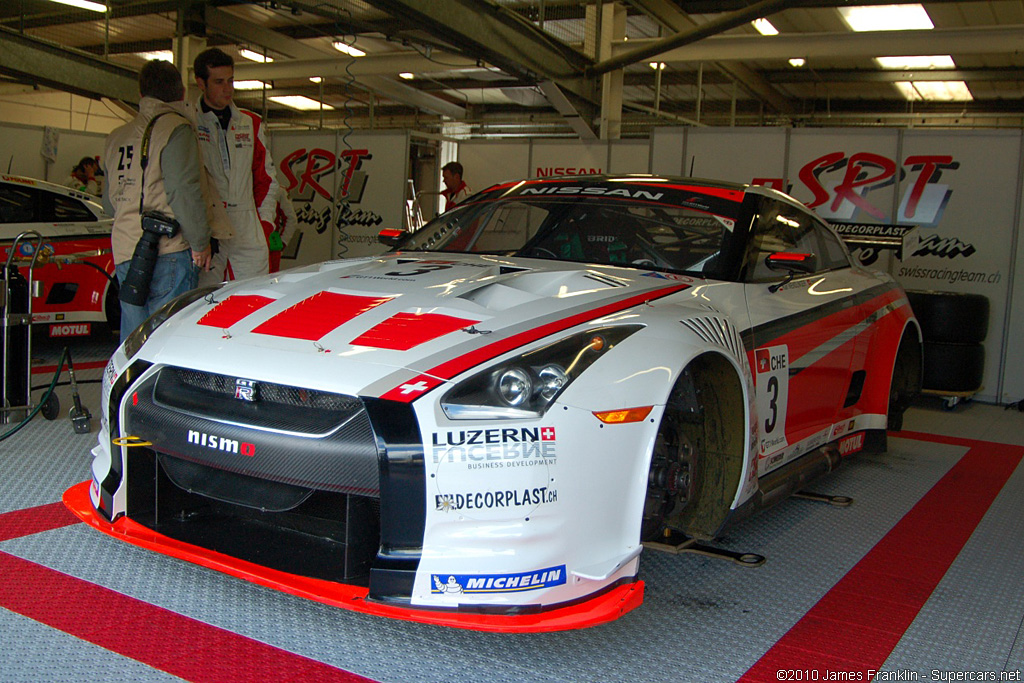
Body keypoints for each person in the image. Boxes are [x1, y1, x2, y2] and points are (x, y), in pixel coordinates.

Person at [102, 60, 213, 339]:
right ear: (181, 94)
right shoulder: (176, 128)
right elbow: (183, 190)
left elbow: (108, 202)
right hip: (169, 250)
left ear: (142, 95)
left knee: (133, 340)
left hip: (127, 249)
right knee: (167, 339)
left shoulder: (116, 137)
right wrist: (200, 242)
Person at [192, 47, 279, 284]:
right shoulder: (189, 122)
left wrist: (264, 225)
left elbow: (268, 180)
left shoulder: (250, 122)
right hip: (210, 228)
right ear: (201, 82)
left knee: (252, 299)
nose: (228, 88)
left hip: (248, 225)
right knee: (206, 303)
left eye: (230, 80)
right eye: (219, 82)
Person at [267, 184, 298, 273]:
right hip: (248, 243)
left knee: (271, 280)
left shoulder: (278, 191)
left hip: (271, 246)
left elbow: (291, 219)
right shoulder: (245, 189)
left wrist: (283, 242)